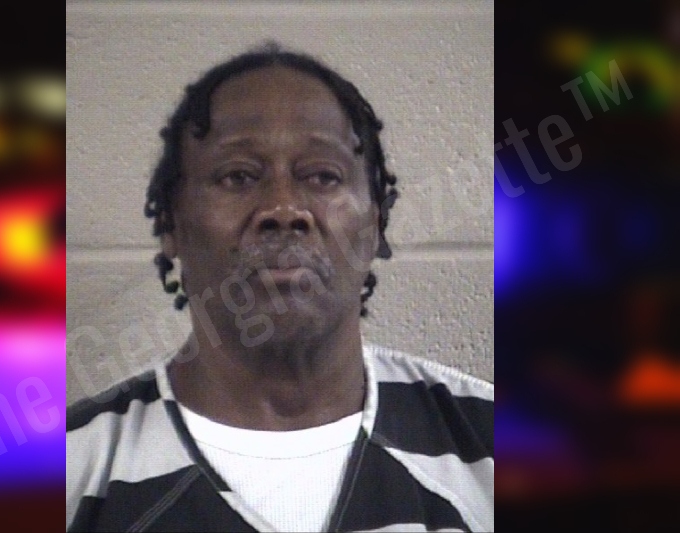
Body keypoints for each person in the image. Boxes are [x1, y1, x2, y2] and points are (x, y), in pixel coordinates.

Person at [66, 43, 493, 532]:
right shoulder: (69, 469)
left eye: (323, 176)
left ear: (375, 224)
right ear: (171, 225)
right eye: (238, 177)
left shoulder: (493, 445)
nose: (284, 209)